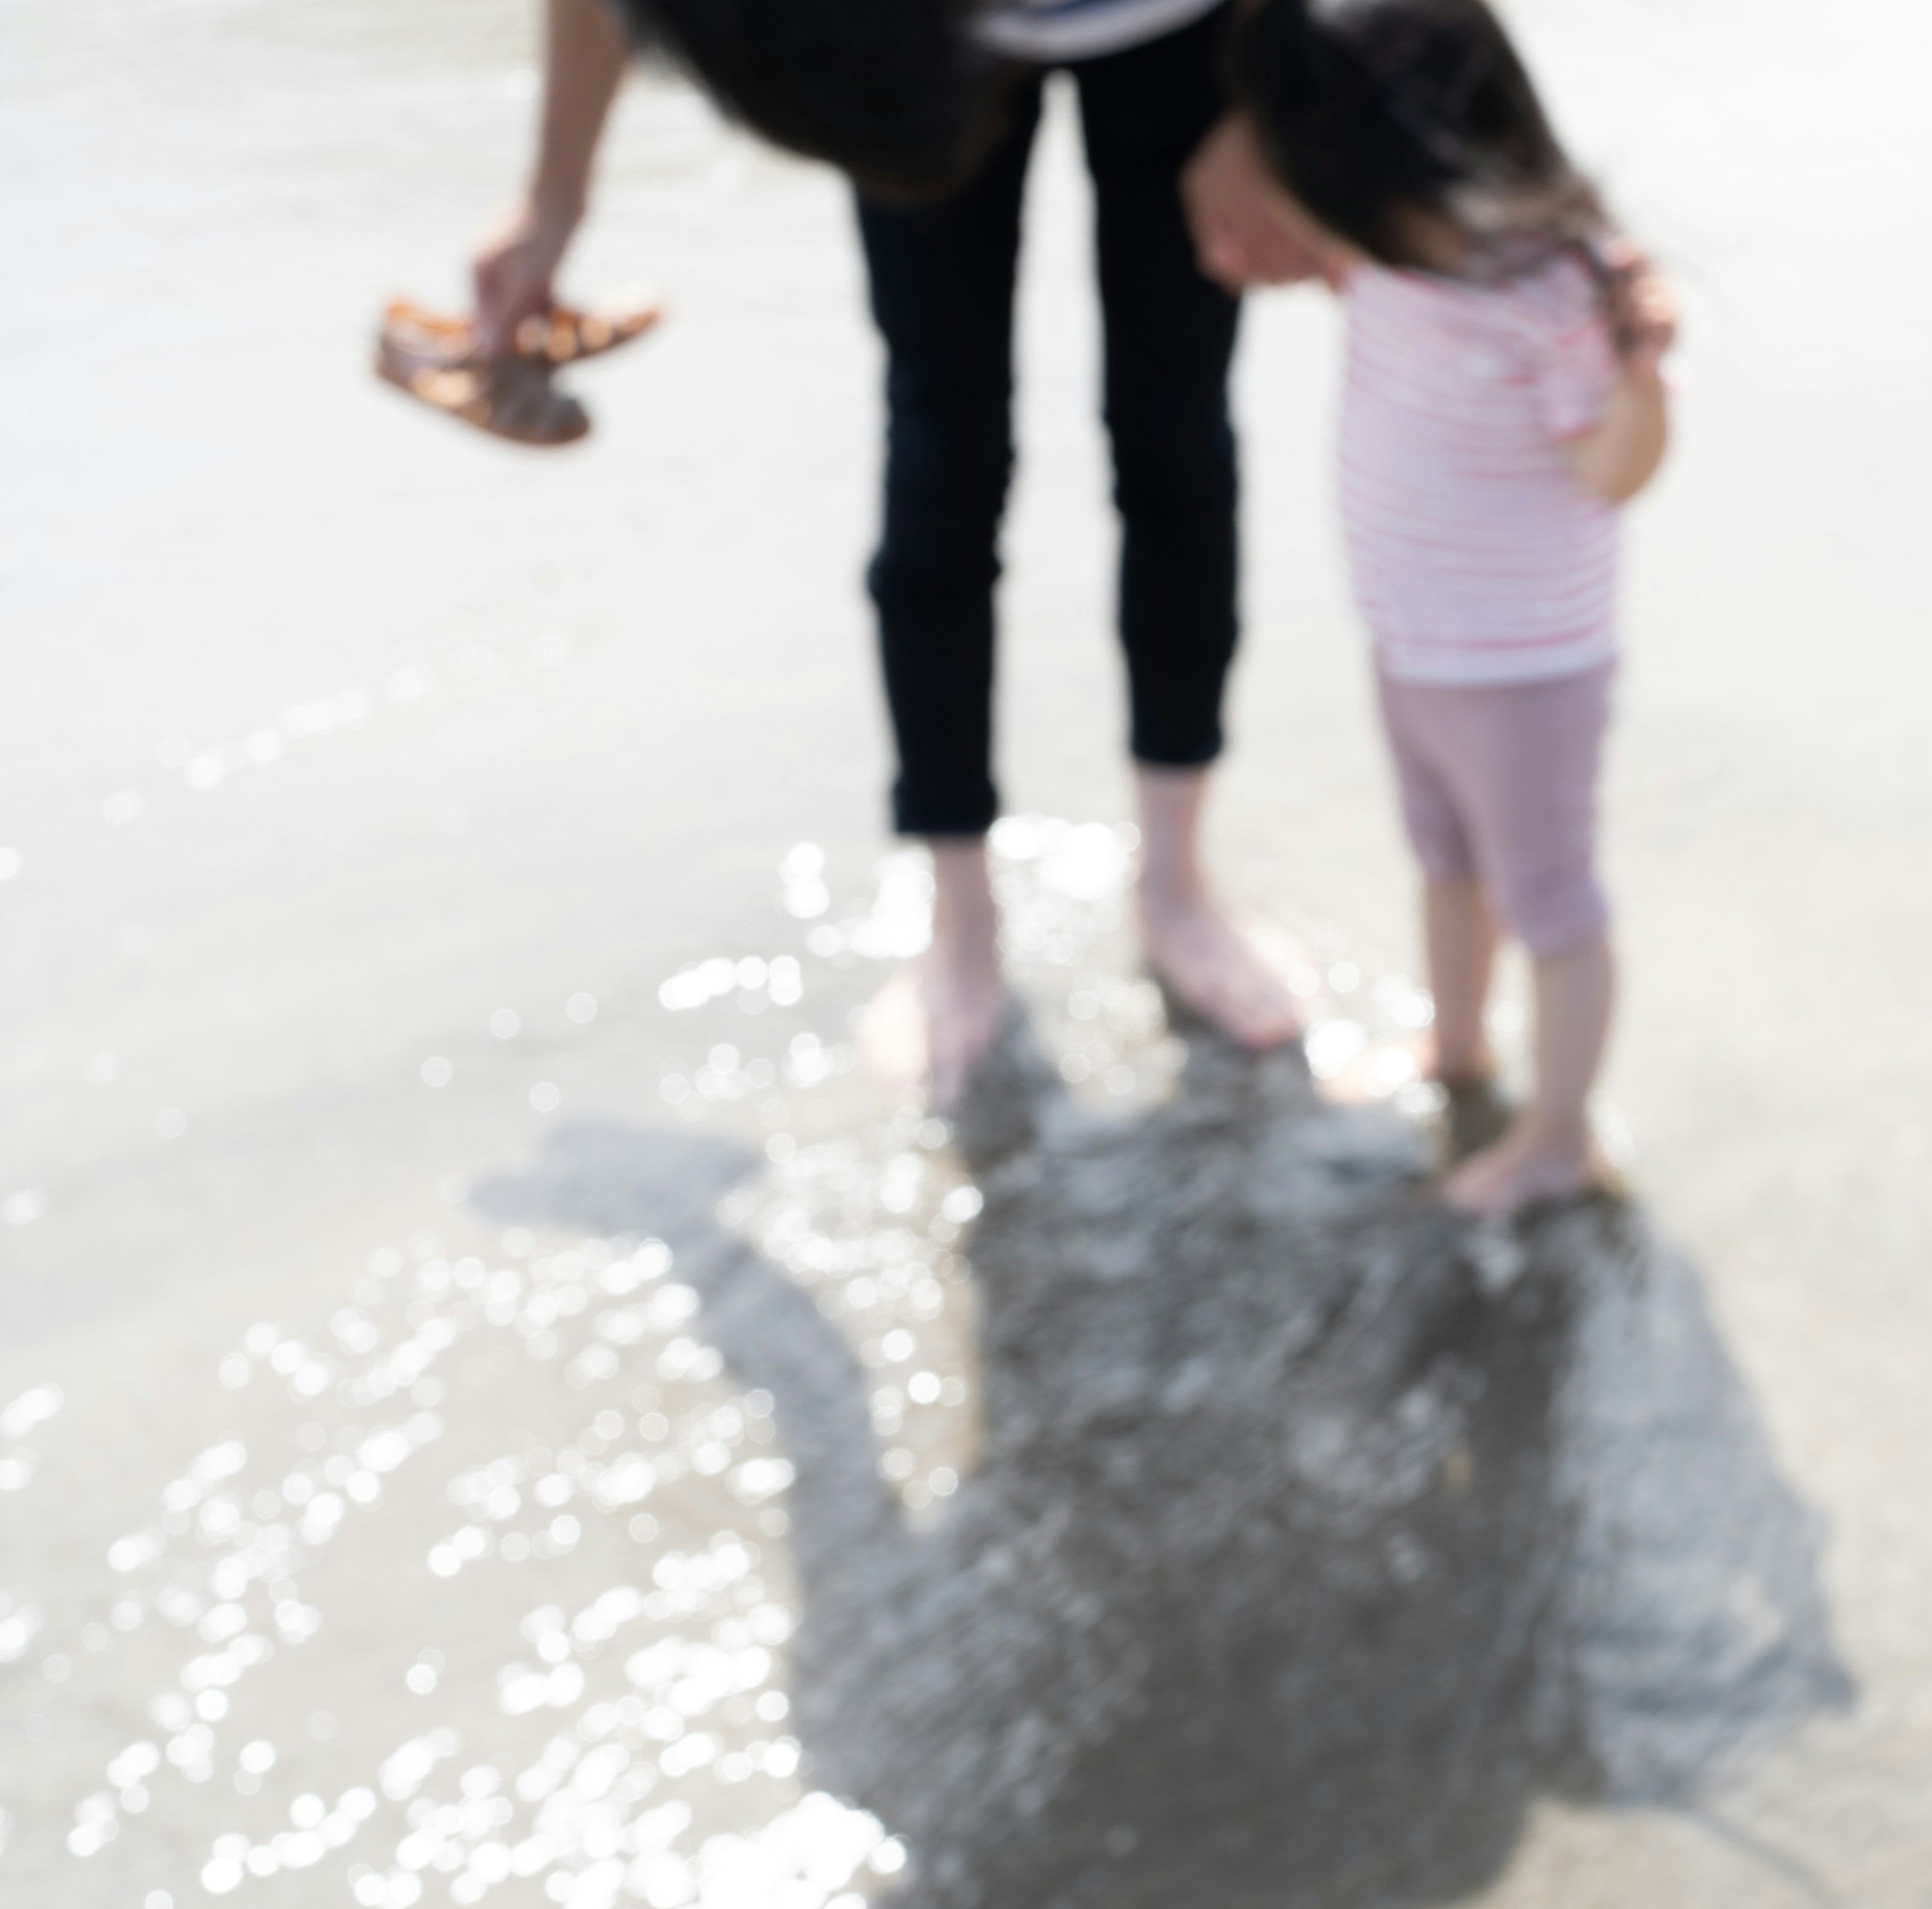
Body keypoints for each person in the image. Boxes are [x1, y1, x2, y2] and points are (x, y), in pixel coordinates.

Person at [470, 0, 1333, 1106]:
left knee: (1174, 433)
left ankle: (1174, 884)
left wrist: (1275, 97)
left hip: (1185, 29)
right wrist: (553, 195)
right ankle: (959, 919)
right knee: (941, 443)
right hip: (915, 30)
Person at [1231, 0, 1675, 1212]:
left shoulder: (1550, 288)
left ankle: (1558, 1138)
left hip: (1528, 659)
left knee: (1551, 901)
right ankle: (1457, 1047)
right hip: (1412, 635)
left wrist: (1639, 374)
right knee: (1442, 857)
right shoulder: (1382, 252)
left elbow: (1613, 474)